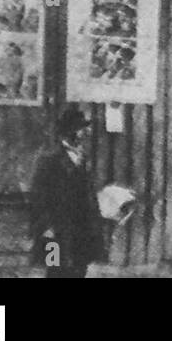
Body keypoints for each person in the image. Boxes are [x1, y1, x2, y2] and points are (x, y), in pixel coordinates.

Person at [29, 107, 105, 278]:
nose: (87, 132)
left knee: (78, 270)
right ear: (71, 131)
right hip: (55, 230)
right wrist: (45, 226)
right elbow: (39, 197)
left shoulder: (83, 159)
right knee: (54, 269)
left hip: (81, 230)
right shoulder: (49, 159)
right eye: (82, 128)